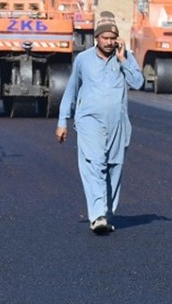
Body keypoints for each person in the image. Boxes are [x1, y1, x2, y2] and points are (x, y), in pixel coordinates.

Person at [56, 14, 144, 235]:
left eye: (112, 38)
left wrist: (124, 60)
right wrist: (62, 121)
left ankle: (106, 211)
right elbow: (71, 90)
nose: (108, 42)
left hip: (117, 123)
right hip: (88, 121)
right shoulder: (83, 60)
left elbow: (138, 83)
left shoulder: (124, 57)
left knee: (114, 166)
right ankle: (97, 215)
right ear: (96, 38)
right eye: (104, 37)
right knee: (95, 163)